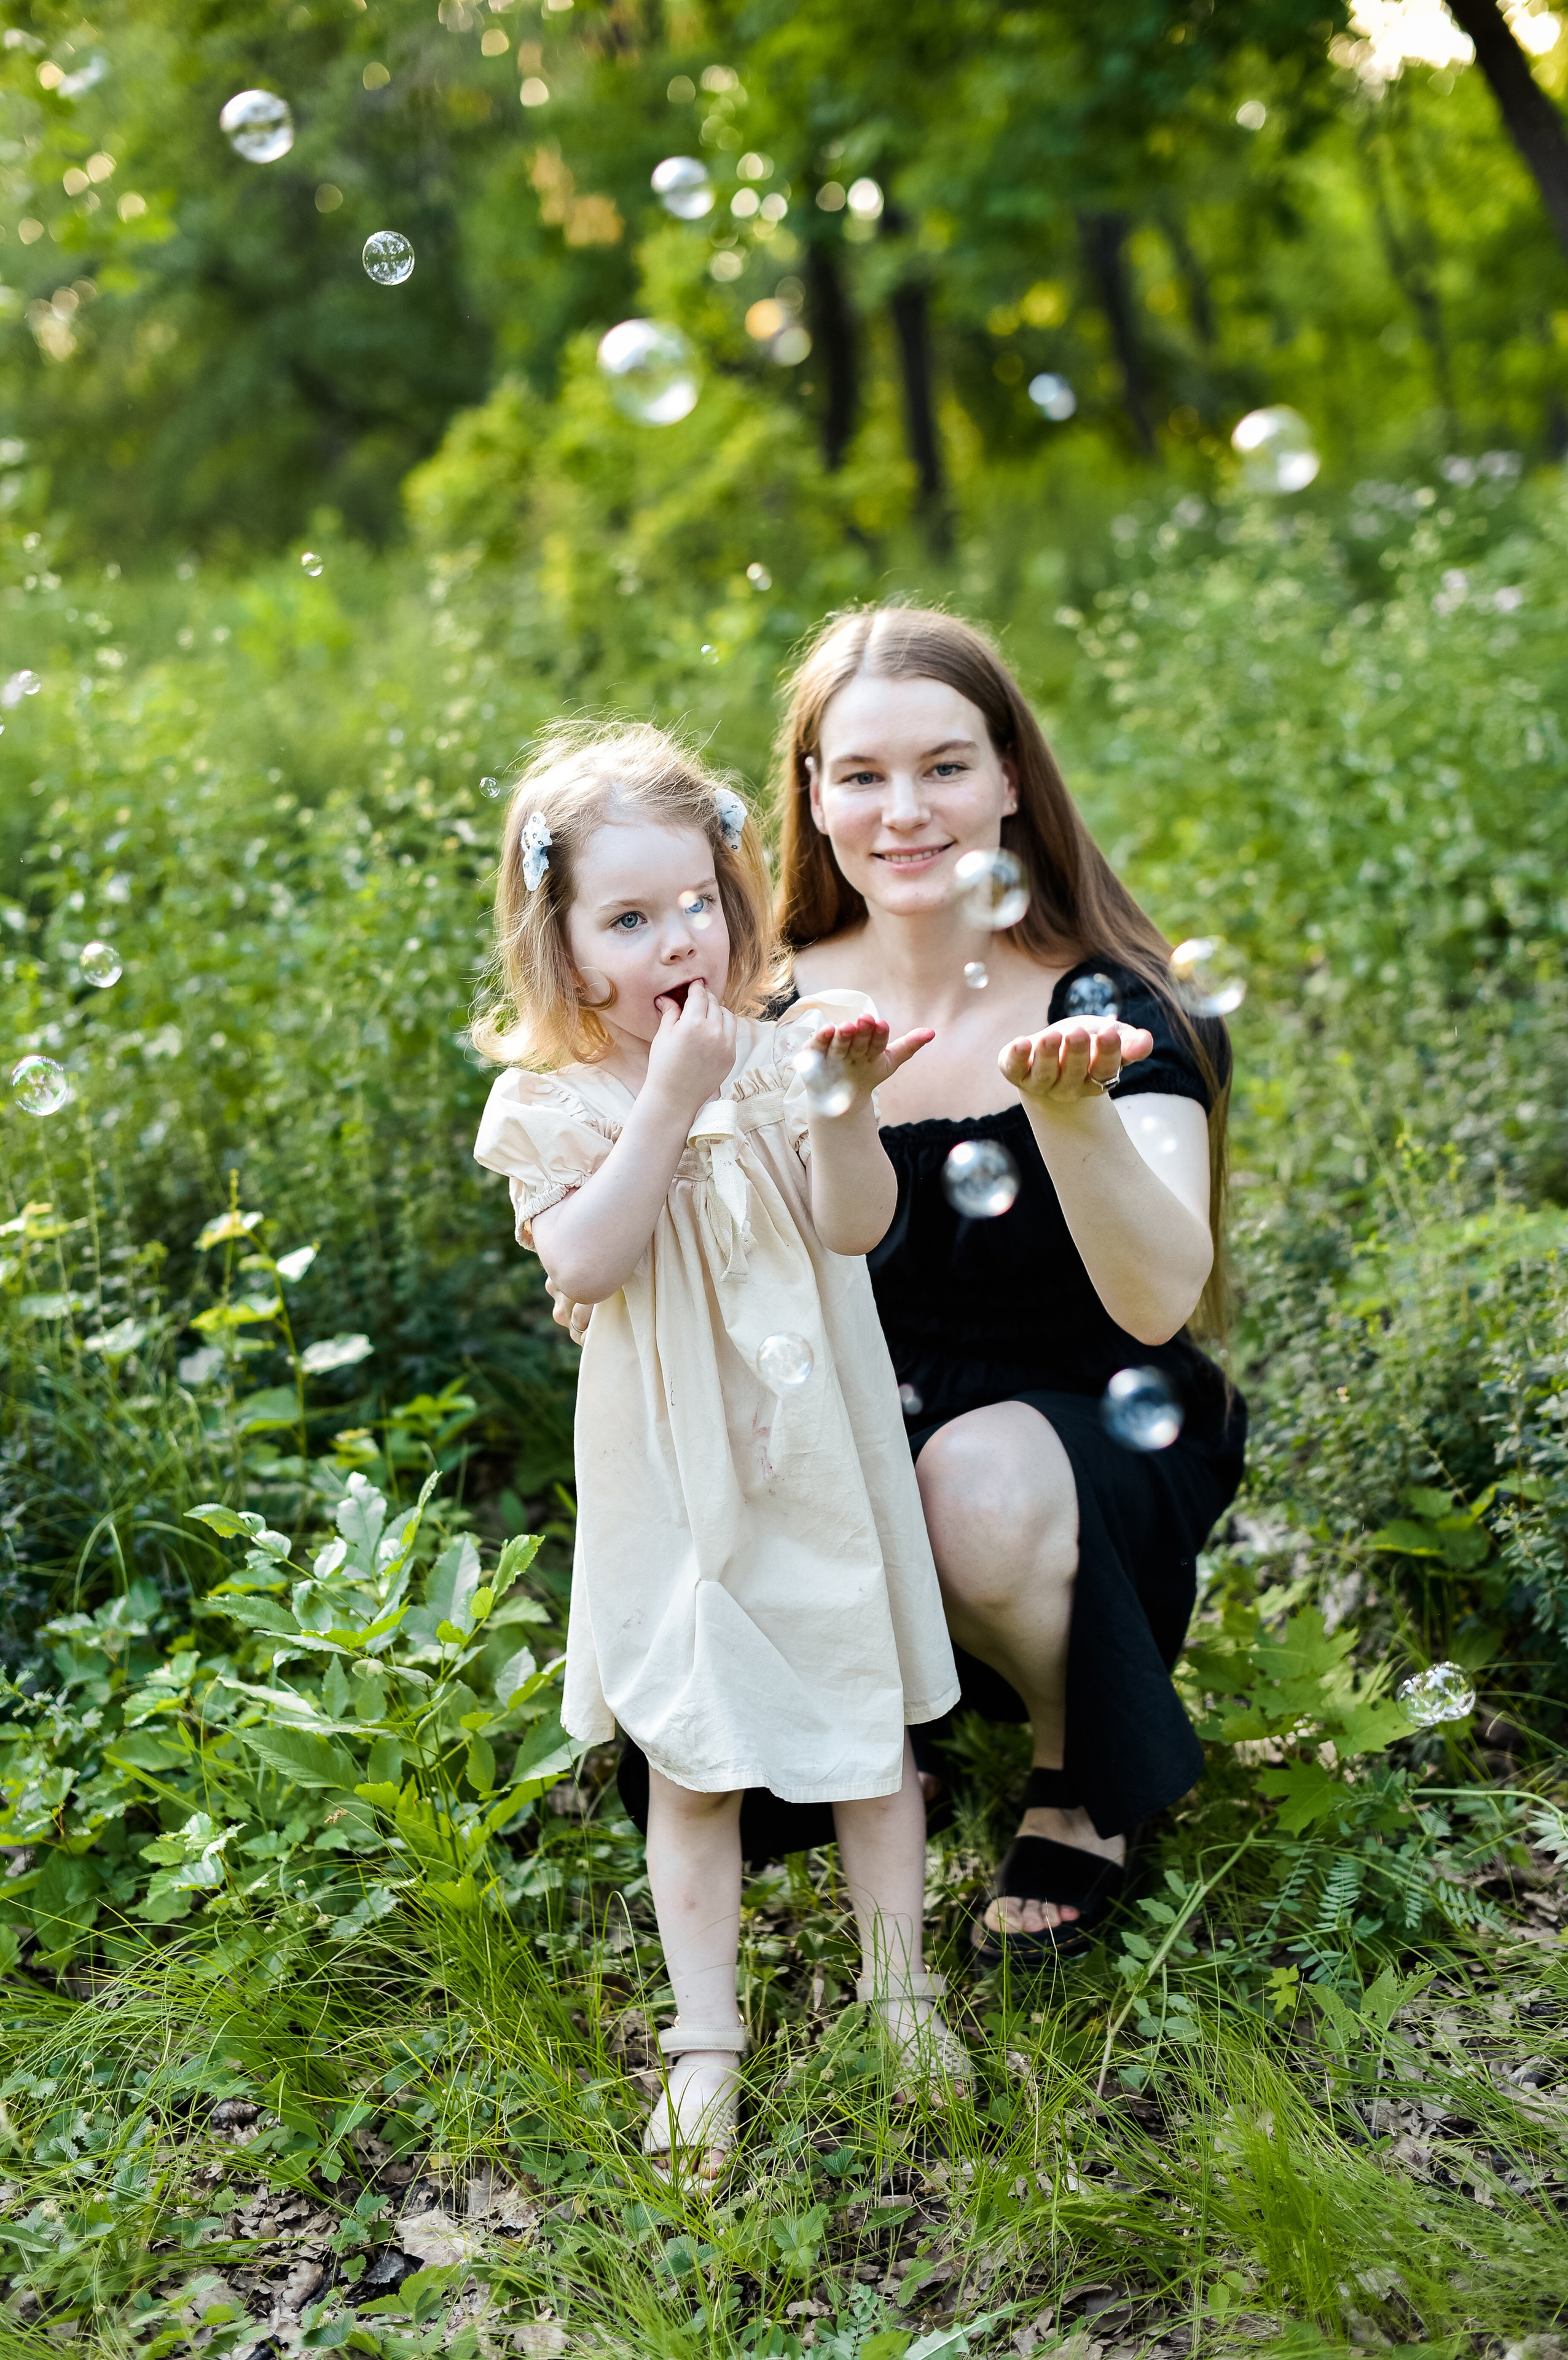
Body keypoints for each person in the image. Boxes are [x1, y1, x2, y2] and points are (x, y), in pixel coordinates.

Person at [471, 723, 968, 2182]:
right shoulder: (553, 1107)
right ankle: (705, 2038)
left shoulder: (782, 1053)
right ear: (564, 957)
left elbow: (853, 1225)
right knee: (689, 1758)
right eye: (626, 919)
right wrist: (671, 1105)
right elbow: (592, 1254)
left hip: (813, 1455)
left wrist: (849, 1104)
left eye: (694, 900)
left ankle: (899, 1990)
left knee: (871, 1731)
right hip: (679, 1478)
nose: (674, 936)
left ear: (734, 904)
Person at [772, 605, 1247, 1963]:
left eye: (944, 767)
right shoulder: (770, 1009)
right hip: (859, 1409)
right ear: (813, 796)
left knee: (966, 1494)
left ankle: (1077, 1757)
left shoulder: (1107, 1004)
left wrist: (1072, 1117)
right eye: (860, 775)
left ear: (1009, 780)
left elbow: (1157, 1300)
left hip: (1083, 1418)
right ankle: (885, 1720)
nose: (903, 811)